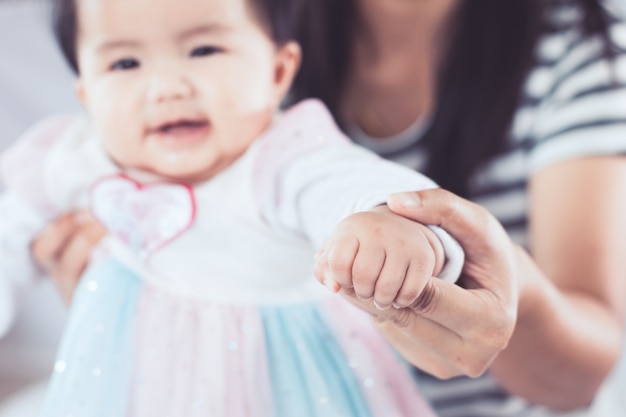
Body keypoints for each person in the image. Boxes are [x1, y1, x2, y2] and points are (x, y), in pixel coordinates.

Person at [23, 0, 626, 416]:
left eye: (201, 51)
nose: (166, 86)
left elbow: (351, 188)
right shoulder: (222, 22)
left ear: (279, 71)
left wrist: (421, 241)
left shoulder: (581, 49)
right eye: (125, 64)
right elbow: (15, 212)